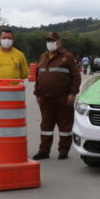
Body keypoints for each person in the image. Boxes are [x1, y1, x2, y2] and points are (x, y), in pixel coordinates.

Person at [33, 32, 81, 160]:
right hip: (45, 98)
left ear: (59, 42)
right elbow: (38, 77)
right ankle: (44, 151)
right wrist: (37, 93)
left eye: (52, 40)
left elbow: (75, 77)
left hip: (63, 98)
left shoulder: (67, 57)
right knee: (46, 126)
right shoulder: (42, 57)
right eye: (48, 40)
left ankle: (63, 150)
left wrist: (72, 93)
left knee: (65, 126)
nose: (50, 43)